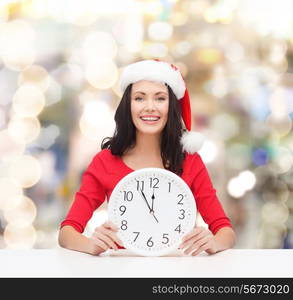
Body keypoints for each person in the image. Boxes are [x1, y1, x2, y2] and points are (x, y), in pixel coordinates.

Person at [58, 59, 236, 256]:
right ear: (128, 105)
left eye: (160, 98)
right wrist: (90, 245)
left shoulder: (190, 161)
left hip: (177, 272)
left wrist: (213, 242)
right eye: (139, 98)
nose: (150, 107)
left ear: (172, 106)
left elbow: (225, 230)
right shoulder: (105, 161)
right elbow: (67, 232)